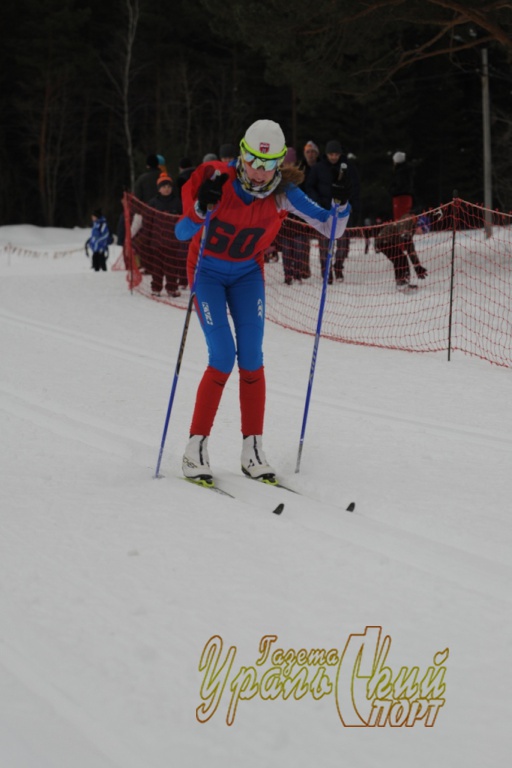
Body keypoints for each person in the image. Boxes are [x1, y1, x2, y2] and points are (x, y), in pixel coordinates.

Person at [175, 119, 351, 484]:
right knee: (222, 355)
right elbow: (181, 231)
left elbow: (330, 228)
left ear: (280, 163)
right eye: (253, 160)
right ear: (242, 152)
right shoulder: (214, 178)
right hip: (206, 272)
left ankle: (252, 448)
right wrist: (199, 208)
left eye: (269, 165)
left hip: (246, 275)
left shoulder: (282, 191)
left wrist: (343, 205)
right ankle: (195, 448)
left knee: (252, 356)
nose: (259, 172)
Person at [306, 139, 360, 283]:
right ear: (327, 154)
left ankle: (338, 267)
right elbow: (310, 187)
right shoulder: (318, 168)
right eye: (331, 154)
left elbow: (355, 187)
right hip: (324, 210)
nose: (334, 157)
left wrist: (352, 204)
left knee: (342, 244)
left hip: (342, 211)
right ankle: (326, 271)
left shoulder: (348, 167)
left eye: (336, 154)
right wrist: (317, 202)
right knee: (324, 245)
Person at [146, 174, 184, 297]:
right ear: (159, 189)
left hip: (172, 241)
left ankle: (172, 288)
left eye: (168, 186)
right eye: (163, 186)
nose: (166, 189)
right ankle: (156, 288)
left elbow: (183, 220)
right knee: (157, 267)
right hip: (157, 241)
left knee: (172, 266)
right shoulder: (153, 203)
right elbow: (148, 222)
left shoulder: (178, 202)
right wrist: (147, 237)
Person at [374, 214, 428, 288]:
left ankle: (403, 282)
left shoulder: (411, 229)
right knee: (400, 258)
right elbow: (402, 227)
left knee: (401, 258)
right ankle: (402, 282)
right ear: (420, 225)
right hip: (384, 240)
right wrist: (405, 234)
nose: (422, 234)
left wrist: (417, 266)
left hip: (388, 241)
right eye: (424, 231)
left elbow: (410, 249)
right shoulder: (408, 220)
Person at [390, 151, 413, 220]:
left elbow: (400, 185)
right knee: (405, 217)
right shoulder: (407, 170)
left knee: (400, 218)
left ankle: (403, 230)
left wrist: (392, 191)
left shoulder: (400, 172)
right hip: (407, 197)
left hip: (400, 198)